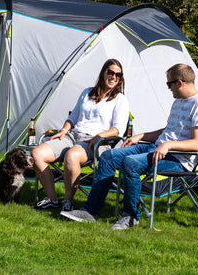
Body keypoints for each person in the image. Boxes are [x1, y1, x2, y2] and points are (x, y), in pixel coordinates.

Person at [61, 63, 198, 230]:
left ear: (180, 82)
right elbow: (168, 131)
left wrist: (168, 145)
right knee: (109, 156)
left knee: (130, 163)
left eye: (169, 84)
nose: (168, 88)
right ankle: (90, 211)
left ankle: (131, 215)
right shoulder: (178, 102)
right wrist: (141, 136)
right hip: (157, 149)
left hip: (178, 159)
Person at [31, 59, 130, 212]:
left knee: (71, 156)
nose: (114, 77)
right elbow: (73, 118)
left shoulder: (120, 100)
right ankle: (52, 199)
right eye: (111, 72)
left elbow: (118, 129)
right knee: (37, 153)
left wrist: (99, 135)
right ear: (103, 73)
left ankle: (67, 202)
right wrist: (63, 130)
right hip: (72, 135)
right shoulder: (87, 92)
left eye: (118, 74)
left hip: (96, 142)